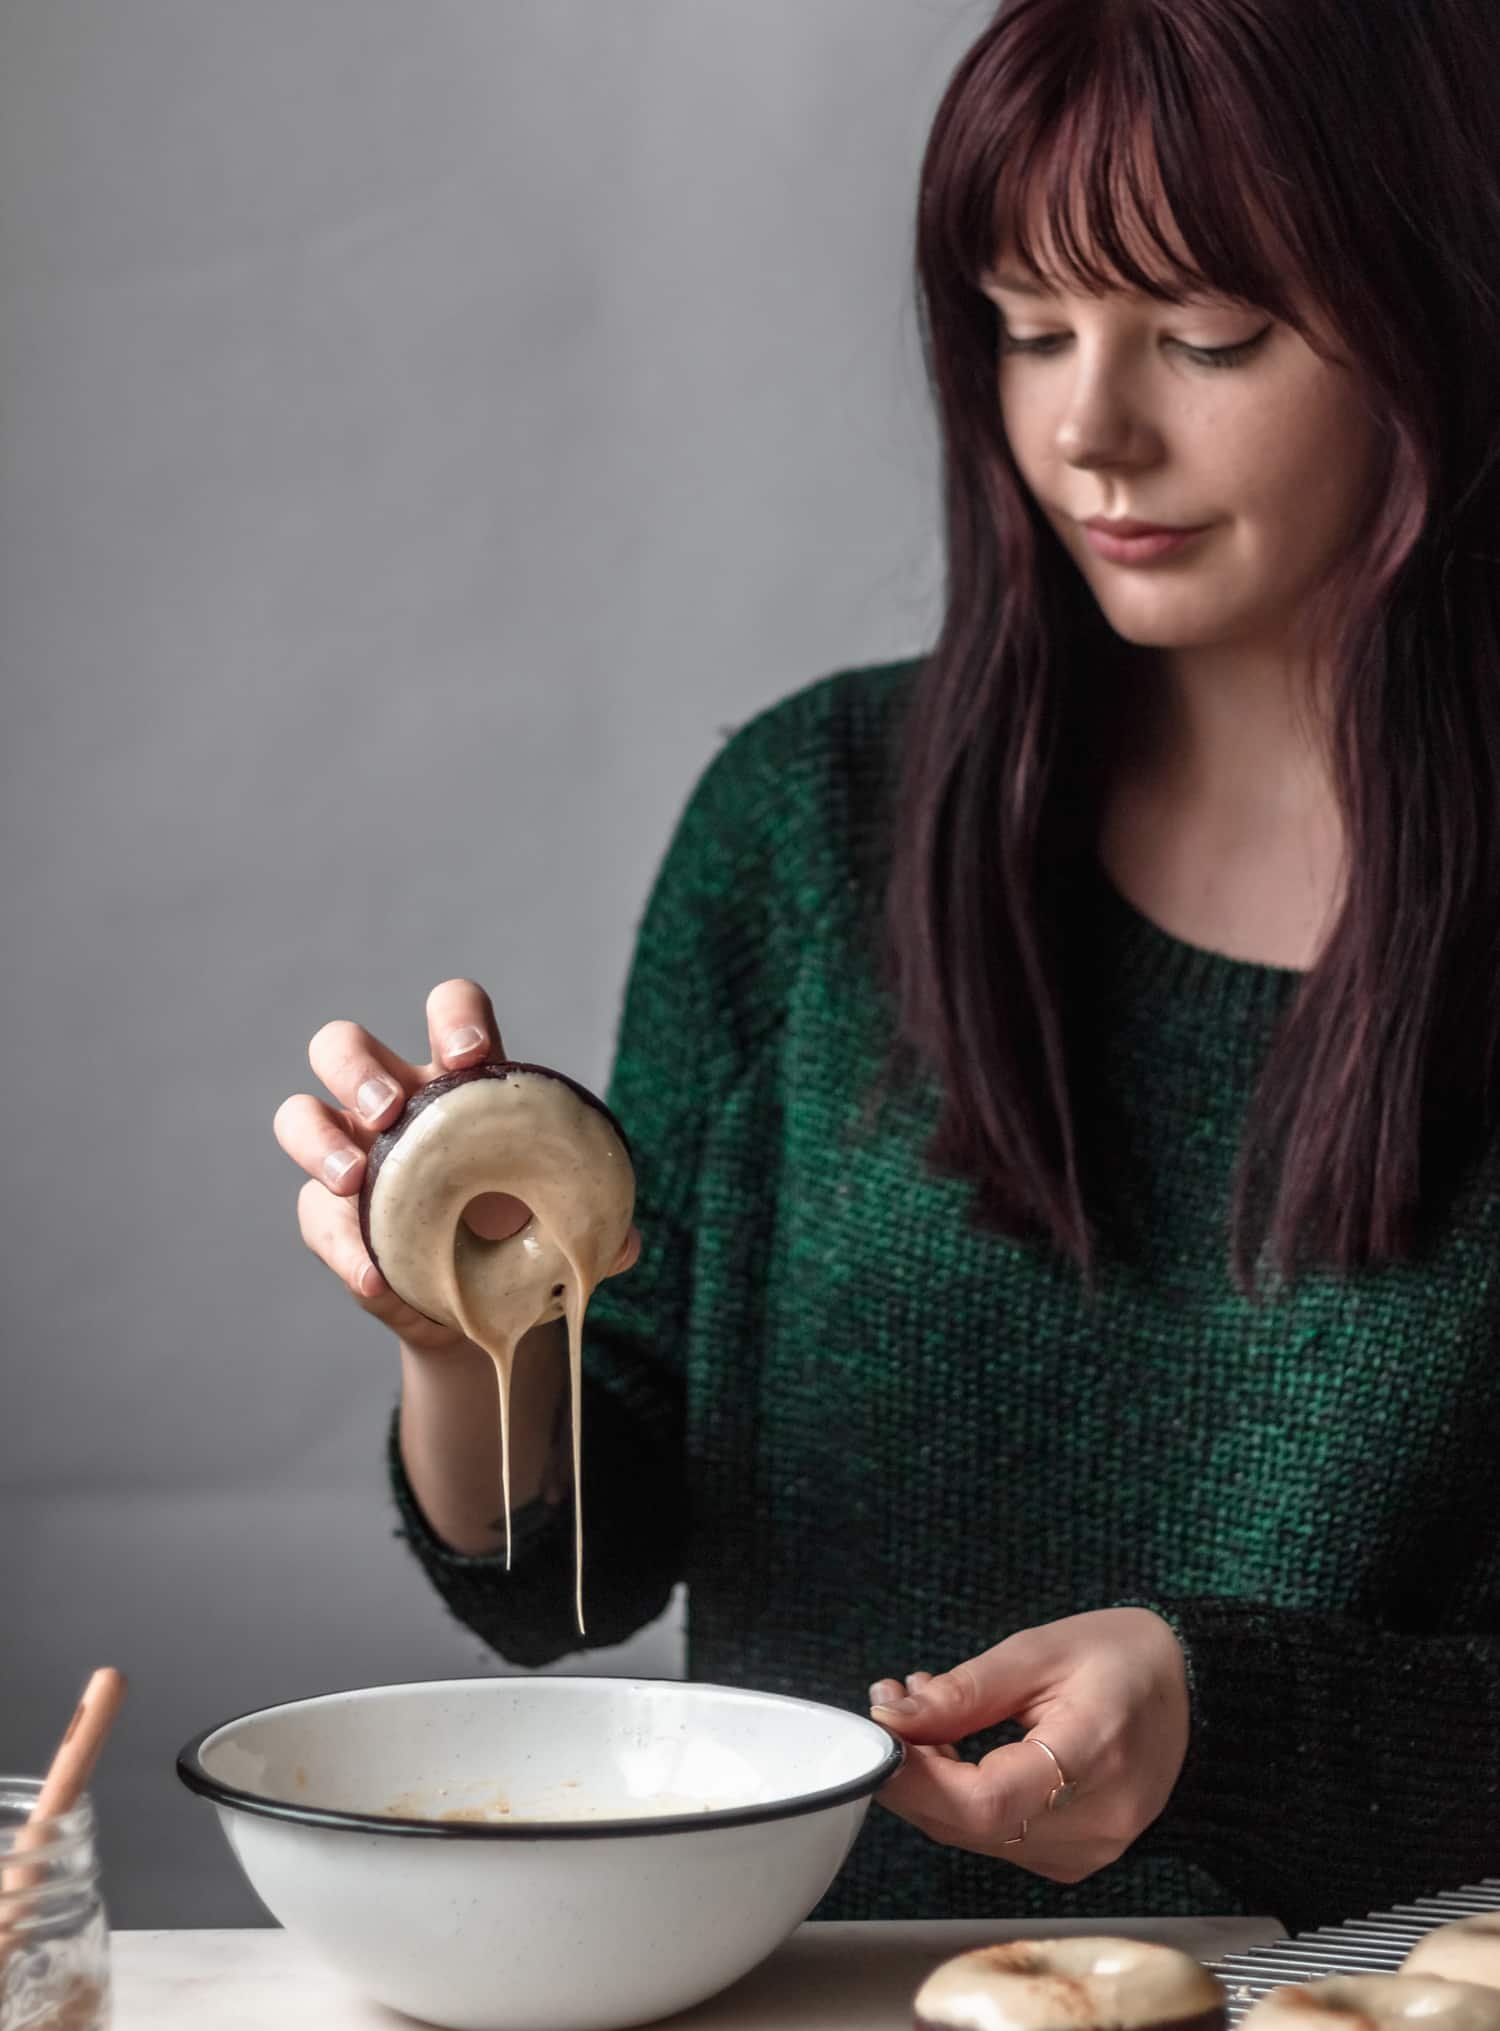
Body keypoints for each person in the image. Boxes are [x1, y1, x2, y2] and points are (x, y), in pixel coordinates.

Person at [272, 0, 1500, 1932]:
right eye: (1027, 330)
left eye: (1206, 335)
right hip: (812, 1993)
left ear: (1440, 312)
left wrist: (1228, 1722)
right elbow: (574, 1572)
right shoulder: (810, 823)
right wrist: (471, 1340)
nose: (1086, 426)